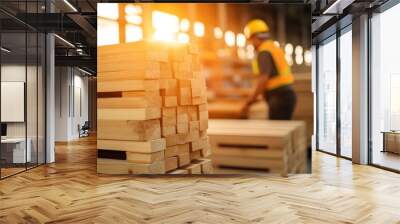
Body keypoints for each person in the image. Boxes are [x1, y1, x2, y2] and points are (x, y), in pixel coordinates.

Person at [241, 19, 296, 120]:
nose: (251, 43)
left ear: (255, 37)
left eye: (250, 40)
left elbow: (263, 78)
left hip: (279, 98)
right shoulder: (272, 47)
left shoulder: (264, 52)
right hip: (285, 95)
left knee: (278, 131)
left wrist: (250, 101)